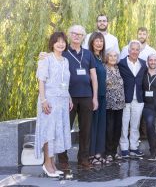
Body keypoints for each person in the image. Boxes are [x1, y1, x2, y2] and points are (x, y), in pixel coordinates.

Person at [58, 25, 98, 169]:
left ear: (83, 37)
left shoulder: (88, 54)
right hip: (67, 97)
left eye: (80, 34)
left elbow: (94, 77)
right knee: (65, 128)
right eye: (74, 33)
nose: (76, 36)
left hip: (87, 96)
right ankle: (63, 159)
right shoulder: (63, 52)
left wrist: (95, 98)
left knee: (85, 129)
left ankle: (83, 158)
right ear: (69, 35)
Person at [35, 32, 72, 177]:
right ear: (52, 43)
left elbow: (65, 83)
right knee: (48, 131)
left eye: (63, 41)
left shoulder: (65, 61)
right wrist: (43, 100)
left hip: (62, 101)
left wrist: (68, 97)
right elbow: (41, 80)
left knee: (56, 133)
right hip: (49, 100)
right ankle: (46, 163)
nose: (61, 44)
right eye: (58, 42)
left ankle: (53, 163)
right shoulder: (46, 58)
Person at [118, 40, 147, 158]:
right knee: (124, 124)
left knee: (135, 124)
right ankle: (124, 147)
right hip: (125, 98)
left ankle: (134, 147)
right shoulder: (121, 63)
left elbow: (152, 72)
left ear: (139, 51)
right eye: (133, 49)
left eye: (137, 49)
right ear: (128, 50)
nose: (134, 51)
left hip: (138, 98)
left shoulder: (144, 64)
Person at [88, 32, 107, 165]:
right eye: (97, 41)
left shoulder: (100, 57)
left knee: (101, 125)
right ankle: (91, 154)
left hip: (102, 95)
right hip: (92, 96)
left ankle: (99, 152)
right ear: (92, 42)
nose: (99, 43)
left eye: (101, 41)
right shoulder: (89, 56)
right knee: (92, 125)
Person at [105, 51, 126, 161]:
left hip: (120, 103)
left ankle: (114, 151)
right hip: (109, 104)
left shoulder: (119, 68)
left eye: (115, 56)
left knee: (118, 128)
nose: (113, 58)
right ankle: (108, 152)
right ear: (106, 57)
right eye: (110, 56)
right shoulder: (103, 68)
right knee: (109, 128)